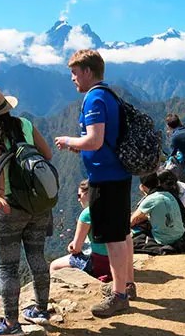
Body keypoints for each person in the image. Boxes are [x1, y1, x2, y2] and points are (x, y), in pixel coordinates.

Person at [54, 49, 135, 318]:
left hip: (106, 178)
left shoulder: (95, 99)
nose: (73, 79)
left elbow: (95, 140)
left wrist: (68, 142)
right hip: (119, 175)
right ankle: (127, 284)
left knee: (112, 238)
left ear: (88, 72)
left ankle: (119, 295)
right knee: (122, 232)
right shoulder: (109, 94)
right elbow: (100, 141)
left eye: (75, 73)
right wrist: (84, 148)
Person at [0, 85, 53, 336]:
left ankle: (11, 324)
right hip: (38, 203)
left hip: (9, 207)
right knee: (37, 256)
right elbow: (47, 154)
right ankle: (40, 310)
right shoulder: (24, 125)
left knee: (8, 267)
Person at [49, 180, 112, 282]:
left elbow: (76, 248)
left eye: (79, 195)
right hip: (118, 261)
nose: (78, 199)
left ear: (88, 194)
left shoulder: (87, 213)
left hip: (100, 265)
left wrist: (71, 247)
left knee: (54, 266)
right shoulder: (114, 208)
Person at [130, 172, 185, 255]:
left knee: (135, 230)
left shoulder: (150, 199)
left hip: (164, 240)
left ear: (142, 187)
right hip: (180, 234)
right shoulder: (169, 193)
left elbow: (132, 221)